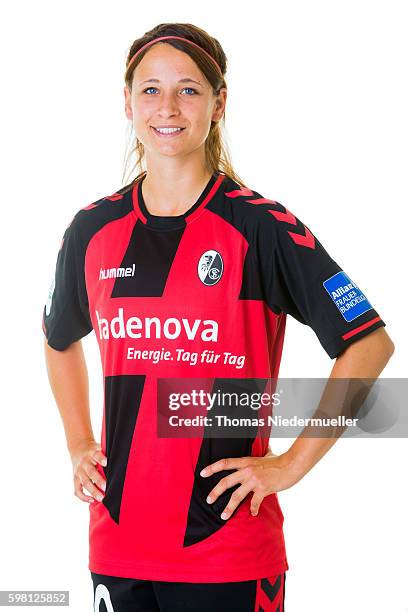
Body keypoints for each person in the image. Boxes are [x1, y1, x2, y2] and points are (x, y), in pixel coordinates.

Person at [42, 22, 394, 612]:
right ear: (126, 102)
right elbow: (58, 341)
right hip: (117, 545)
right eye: (150, 90)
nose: (168, 107)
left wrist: (291, 464)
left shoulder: (261, 228)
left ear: (219, 102)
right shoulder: (91, 231)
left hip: (226, 548)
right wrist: (79, 441)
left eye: (189, 89)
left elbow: (368, 343)